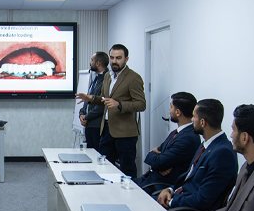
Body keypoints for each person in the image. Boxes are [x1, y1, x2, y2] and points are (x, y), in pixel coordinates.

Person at [156, 99, 238, 211]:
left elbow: (203, 200)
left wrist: (172, 201)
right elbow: (189, 179)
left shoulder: (222, 153)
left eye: (194, 117)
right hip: (181, 200)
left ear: (203, 122)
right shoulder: (207, 144)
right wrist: (170, 190)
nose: (192, 120)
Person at [75, 44, 145, 178]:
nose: (114, 61)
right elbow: (104, 99)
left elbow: (141, 104)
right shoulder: (108, 76)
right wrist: (91, 98)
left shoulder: (133, 78)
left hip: (125, 132)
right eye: (112, 57)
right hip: (106, 129)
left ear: (126, 59)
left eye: (118, 58)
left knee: (127, 168)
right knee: (104, 166)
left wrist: (119, 105)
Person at [134, 91, 201, 192]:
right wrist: (158, 162)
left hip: (159, 186)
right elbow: (159, 158)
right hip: (150, 179)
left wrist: (153, 155)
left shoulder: (188, 139)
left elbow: (159, 162)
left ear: (178, 112)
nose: (169, 110)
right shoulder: (177, 132)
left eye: (171, 107)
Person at [78, 51, 109, 150]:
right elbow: (88, 99)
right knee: (89, 153)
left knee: (97, 153)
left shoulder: (107, 79)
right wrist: (81, 113)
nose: (90, 62)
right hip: (89, 125)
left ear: (98, 63)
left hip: (97, 125)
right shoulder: (95, 78)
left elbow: (102, 105)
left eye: (92, 60)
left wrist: (86, 117)